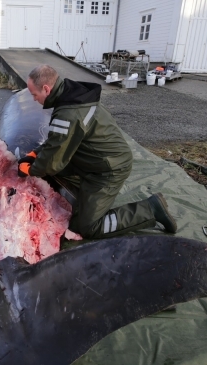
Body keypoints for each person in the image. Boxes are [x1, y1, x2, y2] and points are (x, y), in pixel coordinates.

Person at [17, 65, 177, 239]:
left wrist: (30, 170)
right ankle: (84, 195)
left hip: (109, 168)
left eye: (34, 94)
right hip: (92, 157)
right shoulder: (71, 96)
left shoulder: (69, 113)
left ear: (46, 89)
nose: (33, 99)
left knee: (87, 227)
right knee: (51, 170)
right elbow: (60, 140)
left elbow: (53, 161)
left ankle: (150, 210)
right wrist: (35, 154)